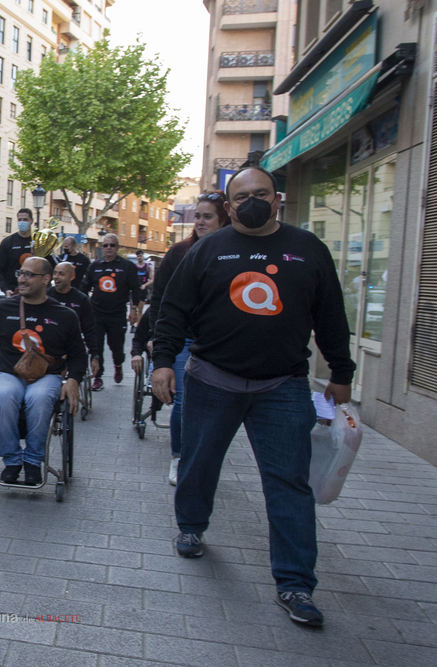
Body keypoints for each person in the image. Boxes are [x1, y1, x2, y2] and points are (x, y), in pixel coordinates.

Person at [152, 166, 355, 628]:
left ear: (277, 198)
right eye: (241, 197)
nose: (251, 202)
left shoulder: (309, 250)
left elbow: (331, 317)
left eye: (260, 193)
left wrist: (342, 373)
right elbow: (173, 311)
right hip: (211, 381)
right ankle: (191, 527)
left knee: (289, 483)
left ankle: (296, 582)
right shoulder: (206, 250)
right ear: (229, 206)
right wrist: (164, 361)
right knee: (200, 463)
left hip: (282, 386)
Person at [0, 257, 85, 485]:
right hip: (9, 373)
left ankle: (33, 461)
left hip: (47, 376)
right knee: (3, 395)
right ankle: (12, 461)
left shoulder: (65, 316)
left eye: (29, 275)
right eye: (20, 273)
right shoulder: (2, 308)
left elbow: (79, 355)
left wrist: (73, 381)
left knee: (39, 398)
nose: (22, 278)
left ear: (45, 280)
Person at [149, 192, 231, 485]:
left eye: (207, 216)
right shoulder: (179, 253)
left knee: (219, 406)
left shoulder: (236, 252)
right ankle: (179, 457)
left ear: (224, 217)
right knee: (184, 401)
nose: (199, 222)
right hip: (182, 339)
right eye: (197, 216)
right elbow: (160, 300)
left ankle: (205, 457)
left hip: (219, 344)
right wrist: (156, 341)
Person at [81, 233, 140, 389]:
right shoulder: (94, 266)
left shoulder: (127, 266)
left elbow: (136, 289)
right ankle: (98, 376)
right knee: (96, 346)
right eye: (105, 245)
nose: (108, 248)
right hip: (97, 314)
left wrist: (134, 309)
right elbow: (84, 289)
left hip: (117, 313)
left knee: (117, 347)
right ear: (102, 247)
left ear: (117, 247)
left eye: (112, 245)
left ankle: (118, 365)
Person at [47, 262, 100, 378]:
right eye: (55, 273)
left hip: (72, 346)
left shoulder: (81, 299)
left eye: (61, 274)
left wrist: (94, 355)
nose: (56, 277)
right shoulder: (46, 296)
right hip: (49, 347)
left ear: (72, 277)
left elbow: (90, 329)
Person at [0, 208, 36, 296]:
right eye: (20, 220)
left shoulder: (39, 241)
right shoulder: (7, 242)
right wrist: (5, 289)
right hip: (13, 291)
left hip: (34, 292)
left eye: (25, 219)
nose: (22, 222)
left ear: (31, 221)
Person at [131, 250, 153, 331]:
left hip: (143, 290)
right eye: (138, 256)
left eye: (140, 256)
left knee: (140, 309)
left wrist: (145, 285)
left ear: (143, 256)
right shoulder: (133, 267)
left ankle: (138, 326)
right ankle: (132, 325)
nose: (139, 258)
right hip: (135, 290)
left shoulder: (148, 267)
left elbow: (152, 279)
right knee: (133, 308)